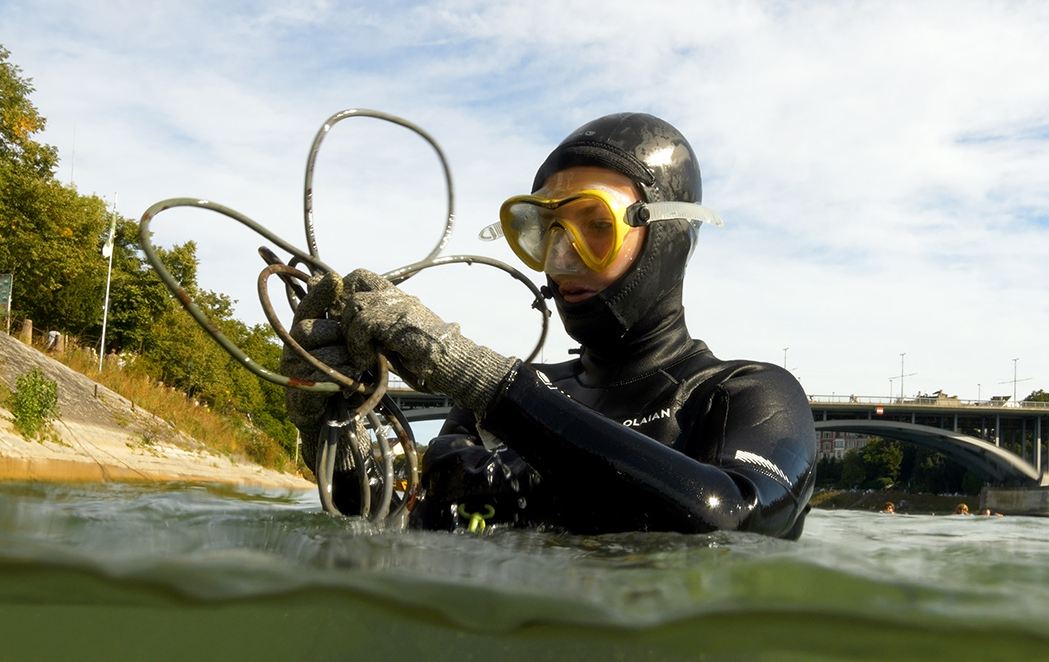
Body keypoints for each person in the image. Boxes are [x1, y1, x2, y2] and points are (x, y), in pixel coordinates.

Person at [282, 113, 816, 538]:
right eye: (544, 231)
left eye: (596, 227)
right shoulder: (494, 408)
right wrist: (329, 432)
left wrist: (487, 382)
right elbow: (400, 532)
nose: (562, 259)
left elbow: (733, 522)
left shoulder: (745, 395)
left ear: (668, 237)